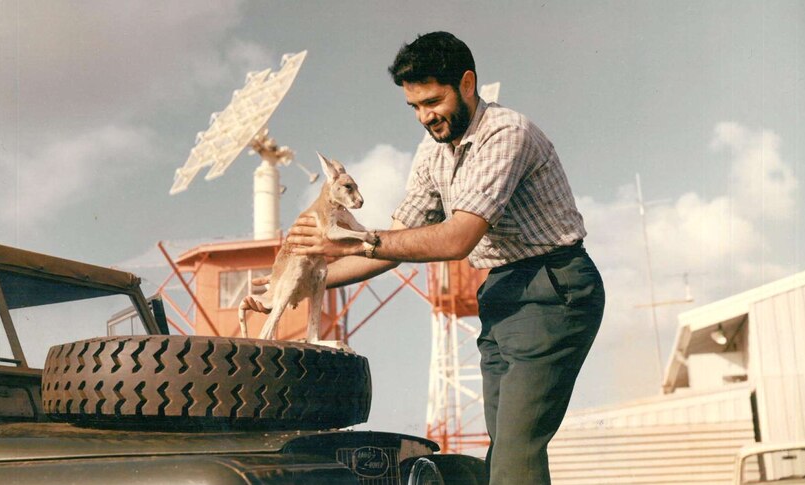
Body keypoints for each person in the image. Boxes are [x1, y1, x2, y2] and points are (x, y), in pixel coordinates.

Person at [244, 31, 605, 484]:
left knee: (516, 446)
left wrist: (348, 240)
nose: (425, 117)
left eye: (433, 101)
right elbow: (393, 244)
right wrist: (300, 283)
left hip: (555, 285)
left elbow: (457, 239)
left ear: (467, 84)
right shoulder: (433, 153)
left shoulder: (505, 134)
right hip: (503, 289)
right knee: (508, 444)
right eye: (414, 107)